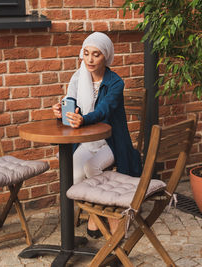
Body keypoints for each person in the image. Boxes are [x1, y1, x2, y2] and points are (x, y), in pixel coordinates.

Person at [52, 32, 142, 238]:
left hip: (111, 140)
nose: (90, 59)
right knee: (73, 174)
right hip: (86, 140)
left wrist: (84, 119)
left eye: (96, 54)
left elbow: (104, 110)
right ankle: (100, 211)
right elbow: (71, 107)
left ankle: (103, 215)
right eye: (86, 53)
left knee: (91, 167)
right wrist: (61, 113)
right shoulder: (77, 77)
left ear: (106, 56)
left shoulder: (116, 83)